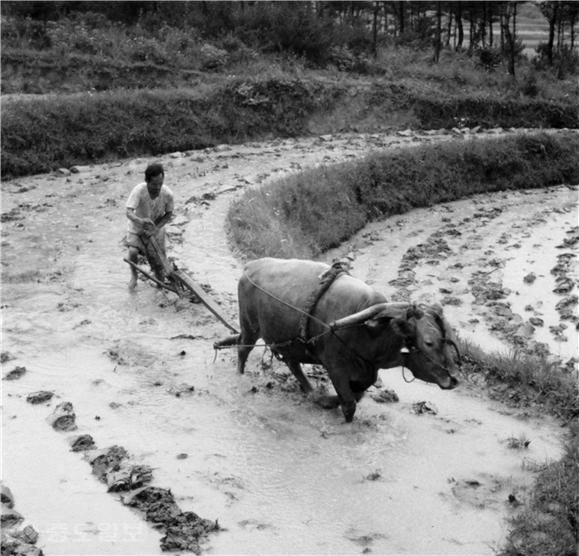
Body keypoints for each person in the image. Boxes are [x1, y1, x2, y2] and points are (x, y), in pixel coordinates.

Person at [126, 162, 174, 290]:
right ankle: (134, 276)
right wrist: (140, 221)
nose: (157, 187)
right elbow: (128, 212)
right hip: (137, 226)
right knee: (132, 252)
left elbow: (169, 213)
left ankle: (160, 285)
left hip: (156, 226)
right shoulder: (139, 191)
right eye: (154, 184)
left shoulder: (167, 194)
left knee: (158, 260)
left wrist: (156, 228)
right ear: (147, 181)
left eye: (160, 184)